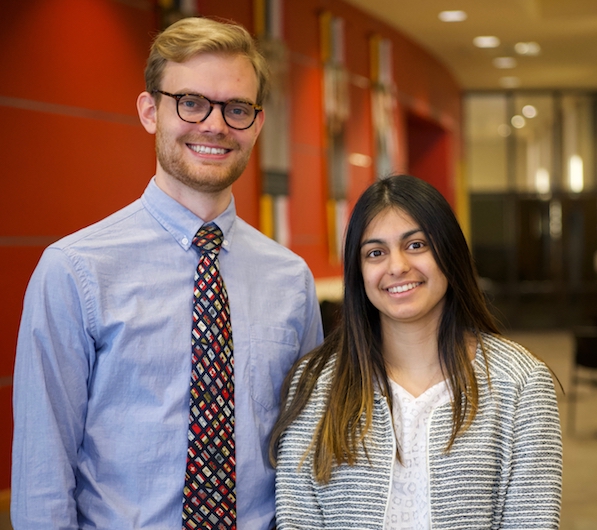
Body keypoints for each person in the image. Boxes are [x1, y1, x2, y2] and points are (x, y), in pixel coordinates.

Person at [11, 17, 323, 529]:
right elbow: (42, 473)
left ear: (257, 124)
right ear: (150, 111)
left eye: (237, 108)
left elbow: (305, 450)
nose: (215, 125)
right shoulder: (75, 271)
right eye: (192, 102)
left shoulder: (290, 279)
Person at [270, 175, 563, 529]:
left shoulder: (521, 382)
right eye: (375, 253)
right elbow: (297, 518)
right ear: (358, 271)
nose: (397, 267)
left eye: (416, 245)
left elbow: (531, 521)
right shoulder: (316, 383)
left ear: (448, 251)